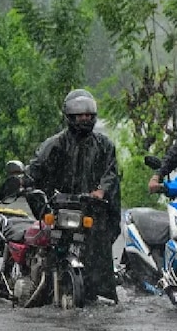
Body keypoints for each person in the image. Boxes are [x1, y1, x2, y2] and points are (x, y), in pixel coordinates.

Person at [24, 88, 122, 303]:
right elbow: (34, 170)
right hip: (60, 205)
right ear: (70, 117)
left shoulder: (105, 145)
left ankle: (99, 290)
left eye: (88, 115)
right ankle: (38, 281)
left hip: (91, 207)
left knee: (100, 247)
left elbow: (111, 173)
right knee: (49, 241)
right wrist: (27, 184)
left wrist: (101, 191)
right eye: (80, 115)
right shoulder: (55, 144)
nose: (84, 119)